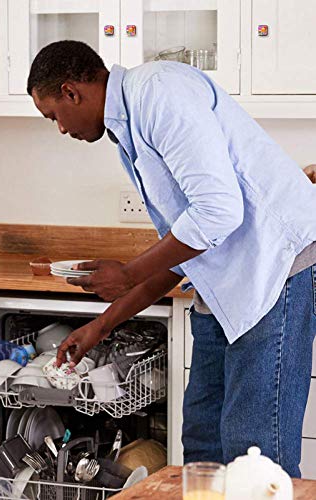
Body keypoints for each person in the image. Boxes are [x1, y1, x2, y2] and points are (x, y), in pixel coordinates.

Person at [27, 40, 316, 477]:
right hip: (224, 286)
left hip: (275, 272)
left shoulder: (158, 92)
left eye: (53, 116)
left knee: (257, 454)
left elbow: (219, 211)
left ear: (71, 92)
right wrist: (101, 326)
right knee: (202, 443)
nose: (61, 129)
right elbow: (181, 254)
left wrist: (127, 273)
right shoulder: (130, 133)